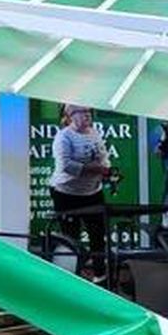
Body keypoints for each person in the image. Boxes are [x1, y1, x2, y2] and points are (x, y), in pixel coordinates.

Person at [49, 104, 111, 278]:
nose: (87, 115)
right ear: (71, 116)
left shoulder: (94, 133)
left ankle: (100, 275)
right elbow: (66, 165)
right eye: (82, 112)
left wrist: (106, 169)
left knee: (98, 235)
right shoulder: (63, 137)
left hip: (92, 193)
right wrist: (94, 169)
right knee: (70, 238)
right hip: (66, 194)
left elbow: (103, 156)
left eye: (89, 112)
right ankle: (70, 278)